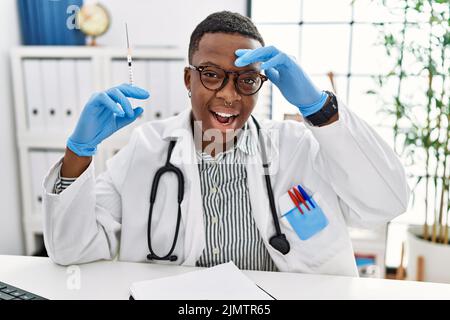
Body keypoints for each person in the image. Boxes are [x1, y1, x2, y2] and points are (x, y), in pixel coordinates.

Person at [42, 11, 410, 276]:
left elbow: (387, 203)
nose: (229, 95)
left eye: (247, 80)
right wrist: (78, 152)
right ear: (189, 80)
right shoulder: (147, 148)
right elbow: (72, 251)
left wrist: (320, 109)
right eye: (212, 75)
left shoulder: (296, 145)